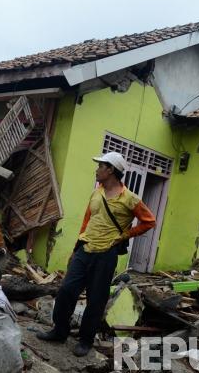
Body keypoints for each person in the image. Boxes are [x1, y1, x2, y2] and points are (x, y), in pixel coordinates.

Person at [37, 152, 156, 356]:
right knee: (66, 290)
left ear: (110, 170)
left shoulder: (130, 199)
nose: (97, 169)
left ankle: (85, 340)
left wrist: (126, 235)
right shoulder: (96, 193)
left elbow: (149, 221)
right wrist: (76, 248)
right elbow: (86, 221)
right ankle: (59, 330)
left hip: (106, 253)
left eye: (100, 166)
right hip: (85, 248)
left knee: (96, 298)